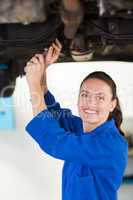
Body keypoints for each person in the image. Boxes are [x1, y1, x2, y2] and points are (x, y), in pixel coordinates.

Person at [24, 39, 128, 200]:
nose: (91, 103)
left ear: (112, 104)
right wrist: (42, 72)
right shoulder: (82, 128)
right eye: (85, 95)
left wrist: (32, 84)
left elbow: (55, 142)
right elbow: (54, 114)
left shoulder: (110, 144)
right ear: (78, 99)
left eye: (100, 97)